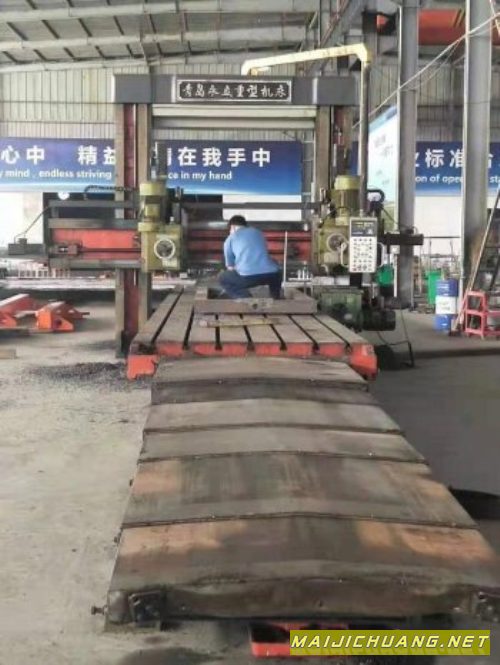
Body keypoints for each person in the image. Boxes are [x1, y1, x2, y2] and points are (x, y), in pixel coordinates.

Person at [219, 215, 282, 299]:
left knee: (223, 278)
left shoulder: (230, 239)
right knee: (276, 269)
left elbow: (230, 267)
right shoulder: (258, 233)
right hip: (272, 275)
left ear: (232, 227)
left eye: (230, 230)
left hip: (248, 277)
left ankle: (247, 299)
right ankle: (276, 298)